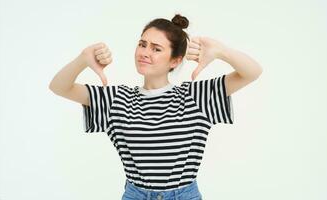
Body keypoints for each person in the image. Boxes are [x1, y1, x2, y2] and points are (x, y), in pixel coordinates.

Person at [49, 14, 262, 200]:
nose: (144, 52)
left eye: (156, 48)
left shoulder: (195, 96)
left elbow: (252, 72)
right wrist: (83, 59)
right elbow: (59, 87)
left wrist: (221, 51)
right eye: (142, 44)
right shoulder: (117, 99)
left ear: (175, 61)